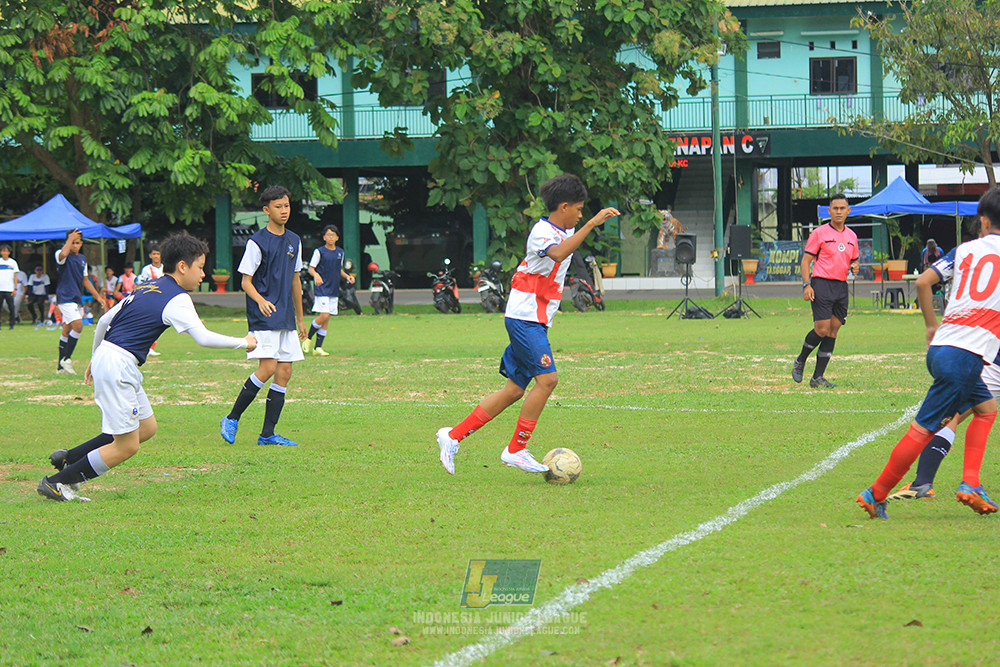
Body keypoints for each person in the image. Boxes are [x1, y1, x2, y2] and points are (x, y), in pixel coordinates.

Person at [38, 232, 257, 502]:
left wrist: (95, 358)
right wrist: (243, 342)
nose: (203, 274)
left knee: (146, 427)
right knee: (127, 446)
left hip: (114, 359)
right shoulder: (177, 297)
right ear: (182, 266)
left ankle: (69, 459)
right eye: (200, 267)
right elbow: (203, 337)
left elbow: (106, 320)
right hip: (119, 364)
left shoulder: (148, 286)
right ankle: (56, 483)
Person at [435, 174, 619, 474]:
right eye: (579, 208)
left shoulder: (564, 230)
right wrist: (590, 224)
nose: (581, 214)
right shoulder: (542, 232)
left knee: (513, 390)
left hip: (535, 320)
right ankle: (516, 449)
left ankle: (452, 436)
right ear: (563, 206)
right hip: (524, 319)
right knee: (548, 380)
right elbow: (558, 254)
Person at [857, 187, 1000, 519]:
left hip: (942, 348)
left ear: (982, 220)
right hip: (966, 357)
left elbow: (923, 282)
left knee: (986, 409)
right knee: (922, 429)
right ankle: (876, 493)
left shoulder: (964, 250)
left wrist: (931, 326)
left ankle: (971, 482)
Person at [220, 185, 306, 447]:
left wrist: (301, 319)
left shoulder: (294, 240)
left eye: (287, 206)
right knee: (267, 368)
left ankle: (267, 434)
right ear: (266, 210)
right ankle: (232, 417)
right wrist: (261, 301)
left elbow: (295, 282)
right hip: (264, 316)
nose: (284, 211)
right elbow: (245, 281)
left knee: (285, 371)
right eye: (278, 207)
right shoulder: (256, 242)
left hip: (287, 318)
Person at [791, 193, 860, 389]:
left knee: (833, 330)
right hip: (821, 284)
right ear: (829, 211)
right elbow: (806, 261)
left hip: (841, 286)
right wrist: (807, 284)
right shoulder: (819, 233)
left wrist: (855, 265)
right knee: (822, 329)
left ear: (848, 211)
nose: (838, 212)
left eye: (842, 208)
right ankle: (801, 359)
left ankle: (817, 377)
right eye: (835, 208)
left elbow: (854, 260)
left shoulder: (852, 236)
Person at [54, 229, 107, 374]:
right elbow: (63, 254)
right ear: (68, 241)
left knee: (67, 330)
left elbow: (85, 281)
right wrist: (70, 239)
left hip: (76, 297)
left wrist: (98, 297)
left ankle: (60, 367)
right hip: (65, 297)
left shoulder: (82, 259)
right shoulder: (61, 254)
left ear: (81, 243)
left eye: (78, 243)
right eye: (72, 242)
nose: (75, 245)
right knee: (78, 326)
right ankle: (67, 359)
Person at [303, 225, 354, 356]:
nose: (330, 237)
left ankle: (317, 348)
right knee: (324, 315)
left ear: (337, 237)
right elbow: (311, 268)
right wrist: (316, 275)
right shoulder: (319, 252)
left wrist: (347, 276)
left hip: (333, 287)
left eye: (333, 235)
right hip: (322, 287)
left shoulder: (340, 252)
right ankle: (307, 338)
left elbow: (339, 269)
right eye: (328, 235)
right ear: (324, 237)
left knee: (327, 318)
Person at [139, 248, 164, 356]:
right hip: (149, 299)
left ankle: (150, 347)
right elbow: (142, 283)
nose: (156, 256)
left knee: (159, 324)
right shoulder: (146, 269)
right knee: (149, 322)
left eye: (158, 254)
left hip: (162, 298)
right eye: (154, 254)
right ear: (150, 256)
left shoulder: (165, 268)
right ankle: (146, 346)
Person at [0, 245, 18, 330]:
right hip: (0, 289)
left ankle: (11, 324)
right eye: (3, 251)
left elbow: (15, 276)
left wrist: (15, 288)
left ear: (9, 252)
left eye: (6, 251)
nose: (4, 253)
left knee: (11, 307)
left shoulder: (13, 262)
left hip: (9, 289)